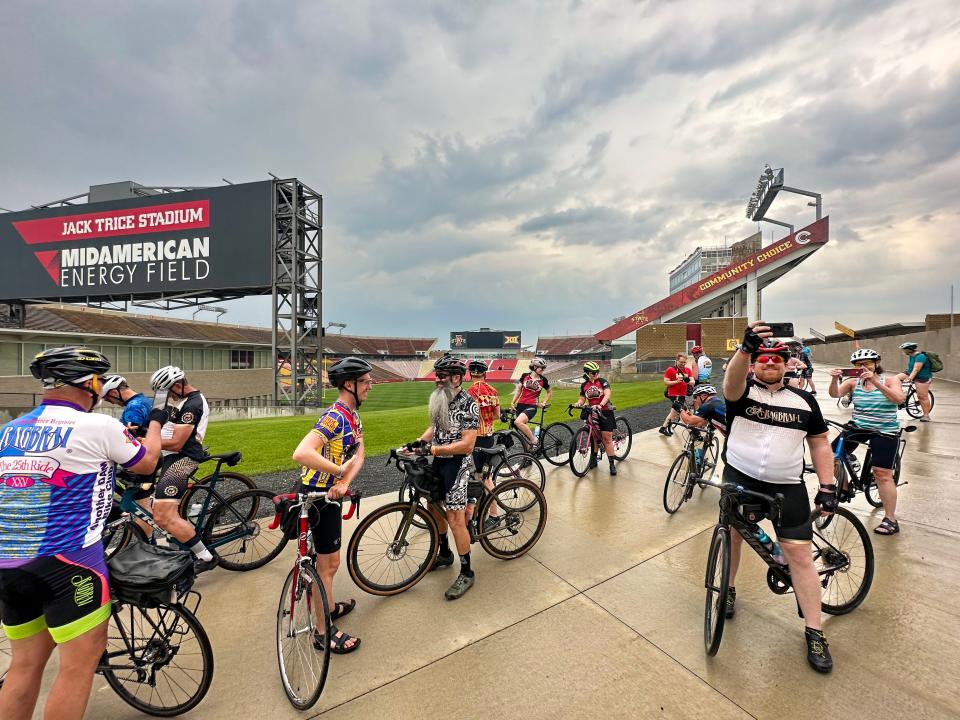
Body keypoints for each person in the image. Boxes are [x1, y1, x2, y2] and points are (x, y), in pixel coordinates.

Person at [0, 347, 165, 720]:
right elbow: (149, 461)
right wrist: (155, 419)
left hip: (10, 561)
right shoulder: (100, 426)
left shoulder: (9, 430)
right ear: (88, 383)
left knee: (24, 666)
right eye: (100, 381)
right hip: (70, 562)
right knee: (76, 668)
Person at [722, 324, 838, 673]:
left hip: (787, 484)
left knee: (799, 555)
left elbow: (818, 443)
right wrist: (745, 349)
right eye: (762, 358)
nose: (769, 362)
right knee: (733, 535)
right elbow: (730, 382)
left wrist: (828, 485)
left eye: (777, 359)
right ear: (754, 364)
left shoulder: (805, 402)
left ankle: (815, 632)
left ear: (788, 365)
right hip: (740, 476)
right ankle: (728, 588)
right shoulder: (741, 393)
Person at [292, 356, 371, 654]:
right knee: (328, 565)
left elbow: (359, 455)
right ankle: (323, 633)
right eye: (365, 382)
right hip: (316, 496)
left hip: (330, 494)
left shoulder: (353, 416)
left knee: (325, 565)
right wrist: (338, 473)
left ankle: (328, 606)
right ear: (348, 384)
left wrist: (345, 483)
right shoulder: (335, 417)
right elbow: (301, 452)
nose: (369, 387)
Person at [415, 356, 479, 600]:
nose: (437, 380)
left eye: (441, 376)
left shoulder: (468, 403)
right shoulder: (441, 399)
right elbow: (435, 429)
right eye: (436, 376)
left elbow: (467, 444)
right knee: (432, 506)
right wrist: (418, 443)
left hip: (459, 463)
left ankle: (467, 572)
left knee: (455, 519)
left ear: (456, 377)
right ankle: (444, 553)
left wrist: (433, 450)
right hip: (440, 461)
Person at [147, 366, 217, 573]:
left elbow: (177, 443)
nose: (165, 397)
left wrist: (146, 440)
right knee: (157, 504)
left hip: (182, 459)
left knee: (162, 516)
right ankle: (178, 538)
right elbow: (159, 422)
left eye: (167, 392)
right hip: (171, 457)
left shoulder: (193, 404)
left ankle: (205, 556)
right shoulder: (180, 400)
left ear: (178, 386)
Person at [828, 349, 905, 535]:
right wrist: (833, 379)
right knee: (829, 455)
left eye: (867, 363)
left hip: (885, 430)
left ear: (876, 363)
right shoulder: (853, 382)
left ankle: (890, 519)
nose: (862, 367)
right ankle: (845, 488)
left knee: (882, 474)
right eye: (858, 364)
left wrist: (876, 382)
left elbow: (898, 399)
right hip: (858, 426)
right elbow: (834, 394)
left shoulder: (890, 380)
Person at [466, 360, 501, 527]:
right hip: (489, 436)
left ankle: (492, 515)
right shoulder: (493, 391)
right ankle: (484, 513)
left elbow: (468, 418)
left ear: (470, 374)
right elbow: (497, 415)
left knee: (481, 478)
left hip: (477, 439)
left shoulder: (471, 391)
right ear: (484, 374)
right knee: (484, 476)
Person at [572, 361, 619, 475]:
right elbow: (582, 398)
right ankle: (593, 460)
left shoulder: (602, 382)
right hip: (592, 411)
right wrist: (578, 403)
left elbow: (607, 394)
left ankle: (612, 464)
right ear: (588, 373)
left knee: (607, 439)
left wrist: (601, 404)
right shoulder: (584, 385)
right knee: (593, 436)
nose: (596, 374)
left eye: (597, 371)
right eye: (593, 372)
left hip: (605, 411)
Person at [510, 357, 552, 449]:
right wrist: (513, 402)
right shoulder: (525, 376)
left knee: (518, 422)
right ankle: (529, 454)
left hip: (532, 405)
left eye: (544, 368)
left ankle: (535, 441)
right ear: (535, 367)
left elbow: (549, 391)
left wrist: (544, 402)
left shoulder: (543, 380)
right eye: (542, 367)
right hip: (520, 405)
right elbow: (518, 390)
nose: (543, 370)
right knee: (522, 432)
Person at [659, 353, 694, 436]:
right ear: (676, 360)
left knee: (673, 412)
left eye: (684, 362)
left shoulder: (688, 370)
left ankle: (663, 428)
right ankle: (692, 430)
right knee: (684, 411)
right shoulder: (670, 370)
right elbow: (666, 382)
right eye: (681, 362)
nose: (683, 364)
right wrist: (676, 381)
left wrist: (687, 381)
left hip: (682, 394)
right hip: (673, 394)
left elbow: (693, 382)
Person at [899, 342, 933, 421]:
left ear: (909, 350)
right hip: (910, 373)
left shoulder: (920, 356)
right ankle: (901, 396)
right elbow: (911, 368)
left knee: (922, 396)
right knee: (894, 380)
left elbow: (916, 369)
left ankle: (926, 415)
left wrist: (910, 378)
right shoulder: (911, 356)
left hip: (922, 377)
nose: (903, 351)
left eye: (904, 350)